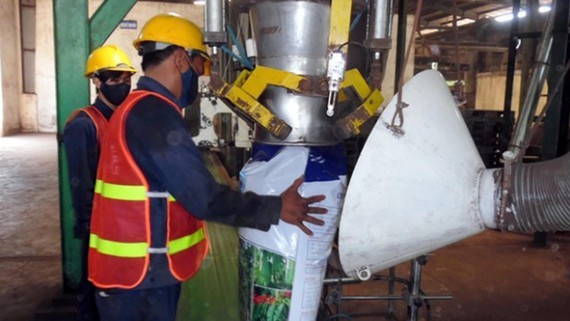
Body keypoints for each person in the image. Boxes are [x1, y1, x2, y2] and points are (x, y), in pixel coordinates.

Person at [87, 13, 328, 321]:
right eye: (200, 65)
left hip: (134, 273)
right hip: (140, 281)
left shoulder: (137, 107)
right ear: (179, 60)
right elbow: (204, 198)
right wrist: (275, 207)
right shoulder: (154, 115)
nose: (200, 76)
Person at [63, 45, 137, 321]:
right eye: (114, 79)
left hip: (122, 226)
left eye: (126, 79)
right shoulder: (84, 124)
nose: (122, 85)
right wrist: (89, 226)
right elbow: (80, 183)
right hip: (98, 228)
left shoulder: (122, 119)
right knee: (94, 290)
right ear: (96, 80)